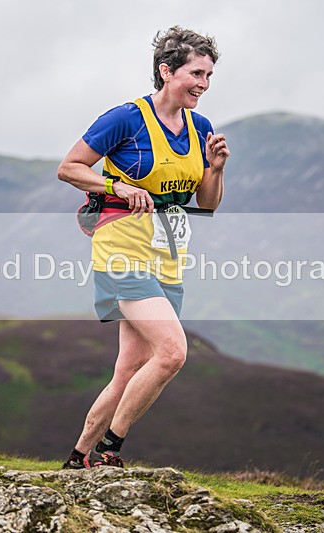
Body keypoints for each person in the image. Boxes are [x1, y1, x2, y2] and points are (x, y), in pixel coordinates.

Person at [57, 26, 230, 468]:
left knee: (129, 371)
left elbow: (206, 205)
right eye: (196, 73)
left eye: (209, 75)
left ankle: (78, 458)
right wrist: (116, 184)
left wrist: (216, 169)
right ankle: (110, 450)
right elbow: (69, 168)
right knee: (172, 352)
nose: (204, 85)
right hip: (121, 244)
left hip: (168, 252)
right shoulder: (125, 118)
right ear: (166, 71)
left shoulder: (201, 127)